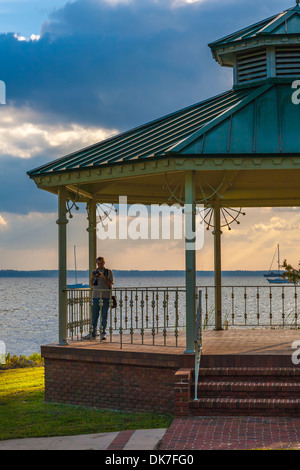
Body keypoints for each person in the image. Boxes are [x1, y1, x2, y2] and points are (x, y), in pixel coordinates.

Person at [84, 257, 114, 340]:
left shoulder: (108, 272)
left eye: (101, 263)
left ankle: (103, 333)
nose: (99, 265)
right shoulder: (95, 271)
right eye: (98, 264)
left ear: (104, 263)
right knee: (94, 316)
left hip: (106, 296)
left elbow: (110, 283)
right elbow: (92, 284)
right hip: (96, 296)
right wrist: (93, 277)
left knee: (104, 316)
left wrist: (103, 277)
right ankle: (92, 333)